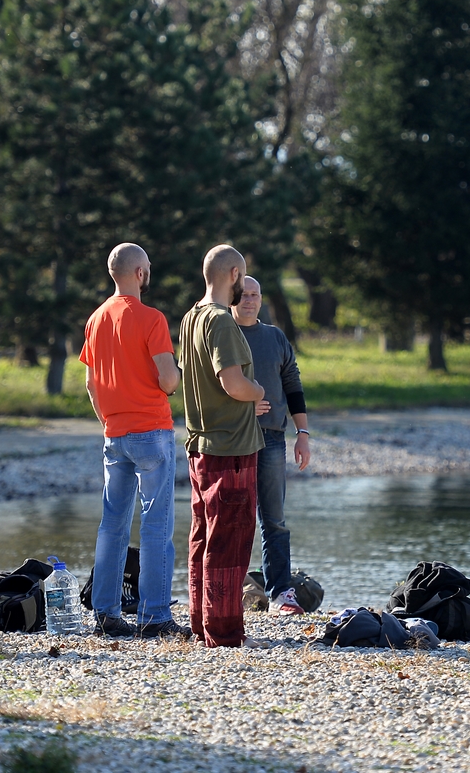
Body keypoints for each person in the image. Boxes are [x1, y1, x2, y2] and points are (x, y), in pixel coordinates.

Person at [81, 242, 189, 639]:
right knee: (156, 524)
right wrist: (177, 377)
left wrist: (108, 418)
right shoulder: (151, 318)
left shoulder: (95, 319)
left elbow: (91, 383)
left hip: (115, 433)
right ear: (140, 273)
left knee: (112, 524)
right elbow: (167, 378)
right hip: (152, 430)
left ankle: (106, 613)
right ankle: (154, 616)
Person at [179, 244, 267, 648]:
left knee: (203, 536)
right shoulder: (221, 322)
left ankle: (201, 623)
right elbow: (233, 383)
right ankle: (226, 632)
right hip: (229, 446)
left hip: (200, 444)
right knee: (230, 540)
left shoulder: (189, 317)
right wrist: (258, 390)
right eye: (242, 276)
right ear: (233, 273)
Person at [230, 275, 311, 615]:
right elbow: (210, 385)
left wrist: (303, 434)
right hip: (232, 439)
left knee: (274, 520)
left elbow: (292, 383)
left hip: (273, 439)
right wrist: (242, 404)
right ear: (233, 297)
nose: (250, 299)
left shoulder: (275, 337)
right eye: (244, 294)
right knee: (234, 518)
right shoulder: (224, 334)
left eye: (255, 294)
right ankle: (229, 590)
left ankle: (281, 594)